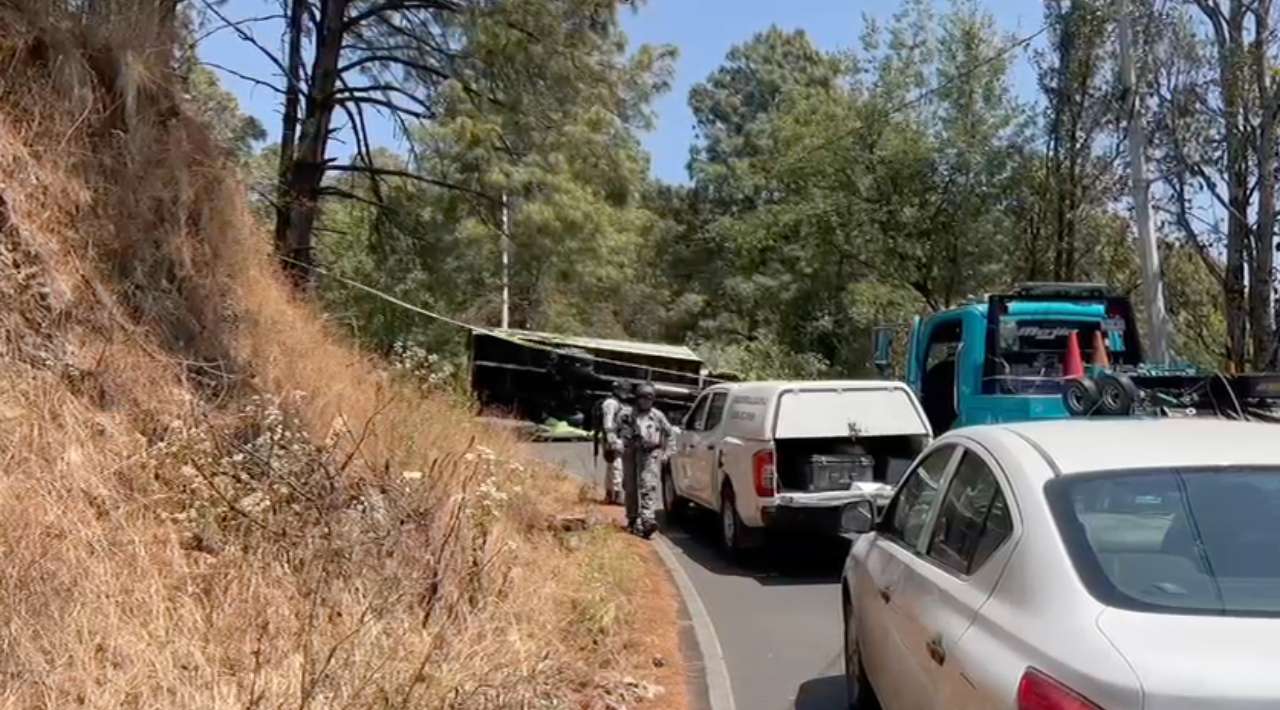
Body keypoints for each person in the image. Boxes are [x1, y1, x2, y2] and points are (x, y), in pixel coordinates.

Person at [617, 382, 675, 538]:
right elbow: (619, 433)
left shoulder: (657, 416)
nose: (646, 402)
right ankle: (632, 518)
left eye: (649, 399)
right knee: (630, 487)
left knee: (648, 485)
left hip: (649, 454)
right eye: (643, 398)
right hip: (631, 452)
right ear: (637, 398)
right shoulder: (627, 414)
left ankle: (647, 520)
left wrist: (667, 453)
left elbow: (670, 434)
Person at [597, 380, 629, 505]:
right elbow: (608, 421)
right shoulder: (611, 403)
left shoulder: (616, 402)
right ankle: (617, 494)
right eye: (624, 390)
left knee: (612, 466)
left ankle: (610, 494)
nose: (626, 393)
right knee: (617, 466)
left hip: (613, 436)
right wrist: (611, 437)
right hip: (612, 437)